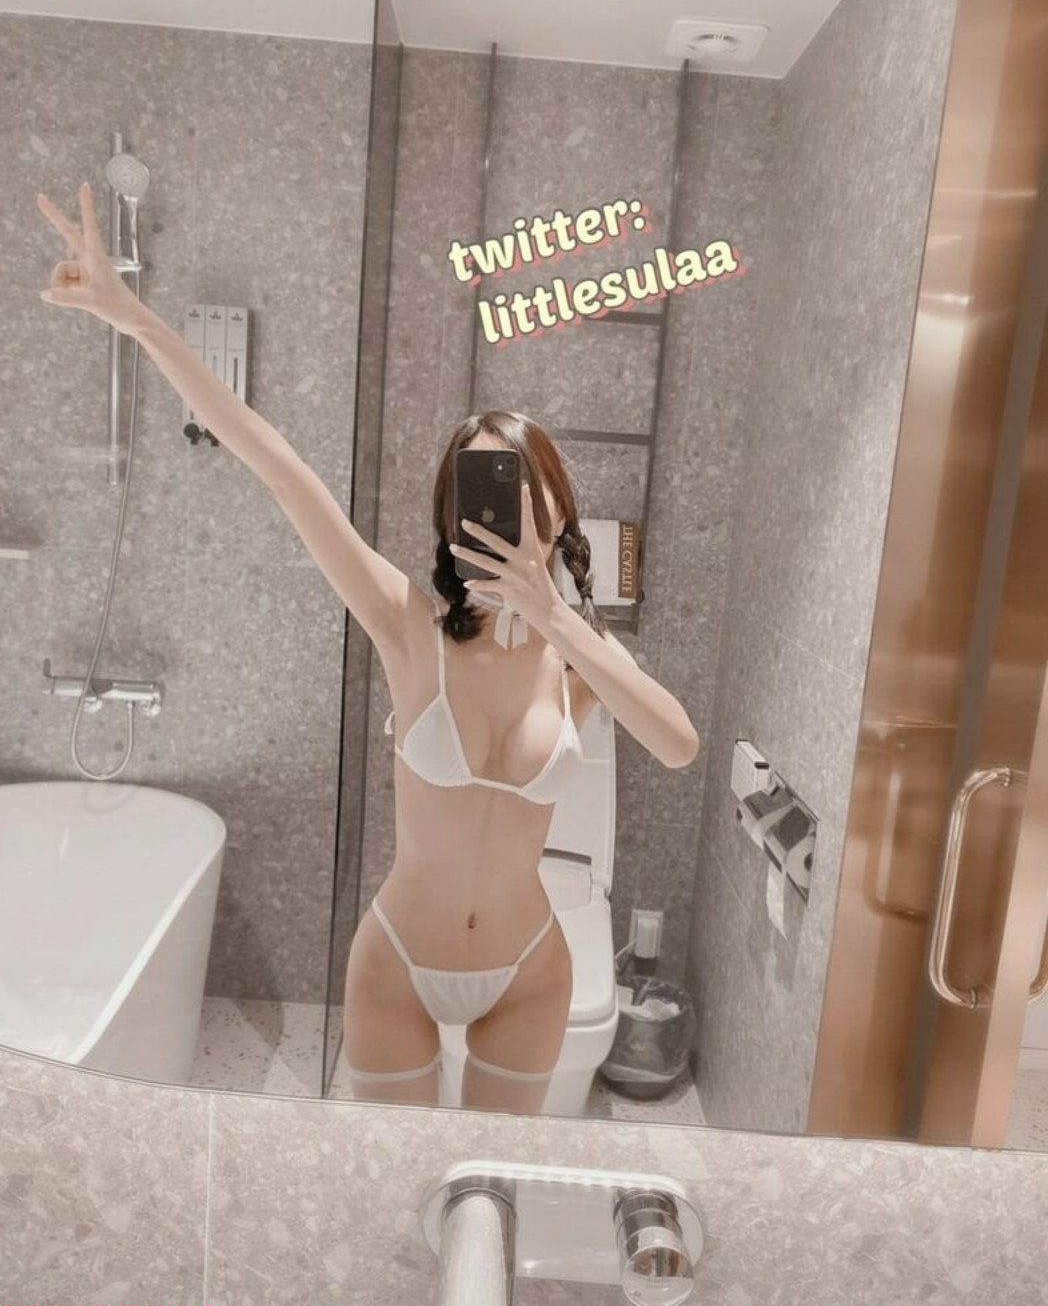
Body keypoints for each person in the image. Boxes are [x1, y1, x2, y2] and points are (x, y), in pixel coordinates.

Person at [36, 183, 701, 1116]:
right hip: (400, 964)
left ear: (558, 507)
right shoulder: (407, 624)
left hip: (529, 969)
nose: (506, 508)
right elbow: (276, 465)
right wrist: (137, 319)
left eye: (523, 485)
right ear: (452, 519)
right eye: (482, 490)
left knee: (485, 1184)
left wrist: (556, 619)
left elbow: (678, 744)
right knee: (391, 1186)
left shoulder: (580, 660)